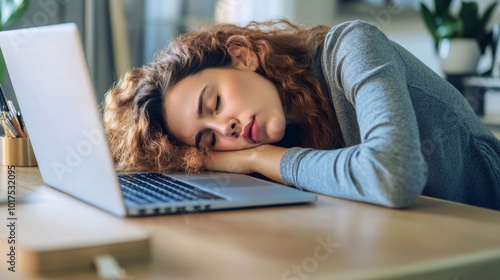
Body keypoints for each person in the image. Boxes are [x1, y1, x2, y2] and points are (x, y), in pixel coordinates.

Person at [103, 19, 500, 210]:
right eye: (210, 139)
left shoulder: (352, 46)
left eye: (215, 104)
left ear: (243, 56)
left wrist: (258, 157)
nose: (227, 128)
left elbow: (393, 175)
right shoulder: (289, 131)